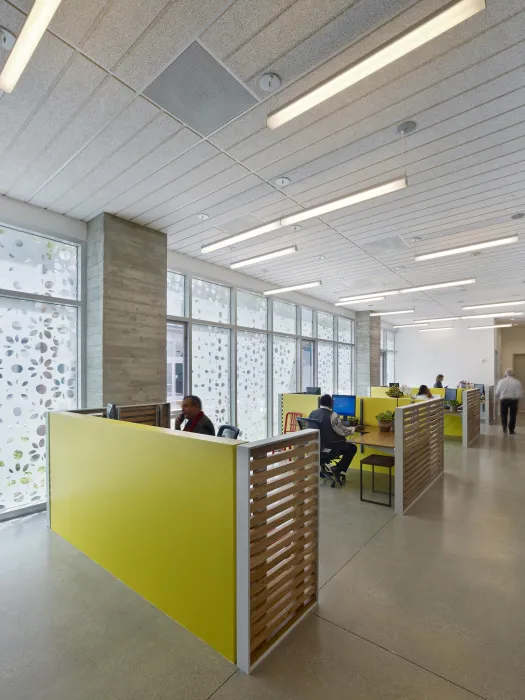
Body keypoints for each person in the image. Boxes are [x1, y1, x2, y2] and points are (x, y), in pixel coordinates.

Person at [309, 394, 358, 485]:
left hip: (315, 448)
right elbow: (343, 431)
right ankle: (338, 468)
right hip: (330, 448)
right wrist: (354, 429)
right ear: (331, 404)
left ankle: (327, 469)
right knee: (352, 448)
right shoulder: (332, 415)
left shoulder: (312, 413)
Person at [496, 369, 524, 435]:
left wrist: (499, 397)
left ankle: (504, 428)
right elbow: (520, 393)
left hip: (504, 400)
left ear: (505, 374)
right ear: (513, 374)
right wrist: (518, 400)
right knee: (513, 415)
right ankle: (511, 430)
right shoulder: (517, 382)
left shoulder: (501, 381)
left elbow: (497, 392)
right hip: (513, 400)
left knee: (503, 414)